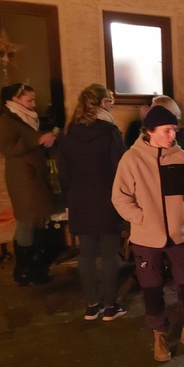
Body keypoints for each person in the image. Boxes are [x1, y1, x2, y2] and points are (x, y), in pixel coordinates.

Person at [112, 105, 184, 362]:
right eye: (167, 130)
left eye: (174, 130)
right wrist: (141, 219)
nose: (172, 135)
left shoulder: (180, 156)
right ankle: (159, 335)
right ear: (150, 131)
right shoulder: (132, 159)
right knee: (152, 287)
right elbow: (120, 197)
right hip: (146, 238)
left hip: (177, 236)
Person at [57, 83, 127, 321]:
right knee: (109, 254)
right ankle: (110, 307)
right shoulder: (109, 132)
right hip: (107, 199)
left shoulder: (68, 132)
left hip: (79, 199)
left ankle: (91, 305)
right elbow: (121, 169)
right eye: (109, 102)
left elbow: (63, 171)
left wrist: (68, 199)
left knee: (86, 254)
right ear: (102, 104)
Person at [0, 83, 58, 286]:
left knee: (38, 220)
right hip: (22, 179)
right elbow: (6, 148)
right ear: (15, 99)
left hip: (35, 177)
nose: (33, 104)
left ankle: (35, 267)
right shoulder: (7, 120)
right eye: (29, 100)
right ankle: (23, 269)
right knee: (26, 221)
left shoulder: (29, 117)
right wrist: (37, 140)